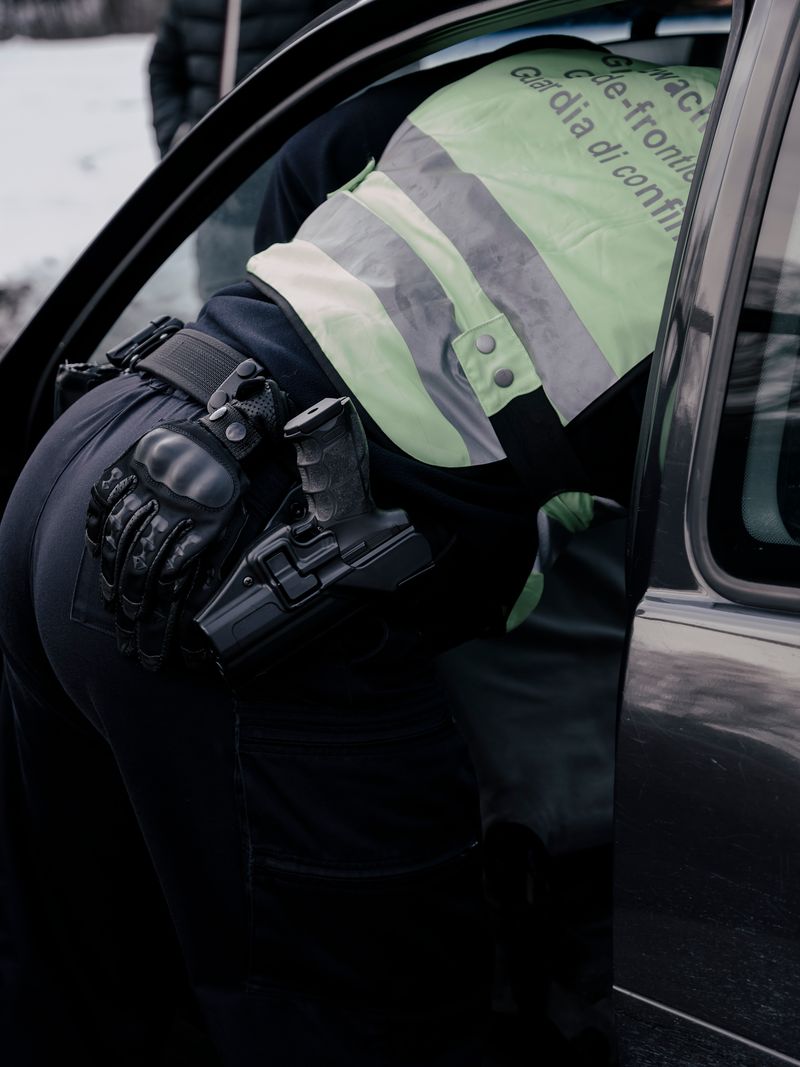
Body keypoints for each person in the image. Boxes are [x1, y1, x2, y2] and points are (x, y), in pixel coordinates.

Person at [0, 36, 719, 1067]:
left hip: (108, 445)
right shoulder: (766, 202)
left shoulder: (565, 67)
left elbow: (309, 155)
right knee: (367, 1025)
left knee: (77, 980)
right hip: (262, 581)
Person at [149, 0, 333, 297]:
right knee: (219, 304)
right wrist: (176, 140)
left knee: (296, 306)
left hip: (294, 196)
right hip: (214, 197)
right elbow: (164, 67)